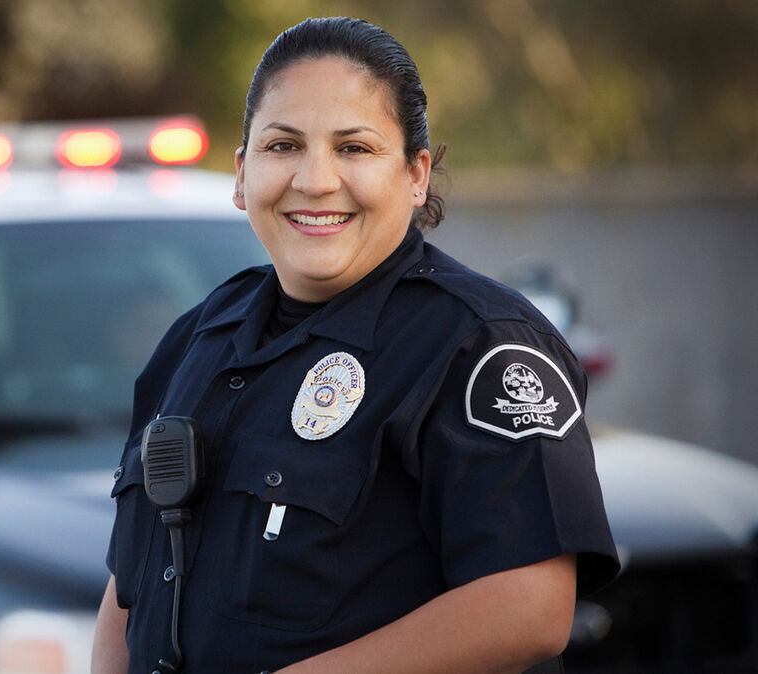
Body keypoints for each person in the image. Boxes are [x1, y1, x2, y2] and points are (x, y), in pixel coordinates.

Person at [92, 16, 618, 674]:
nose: (314, 180)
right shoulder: (197, 336)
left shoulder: (478, 343)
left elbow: (529, 607)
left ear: (416, 174)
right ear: (240, 173)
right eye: (283, 146)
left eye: (354, 149)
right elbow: (132, 583)